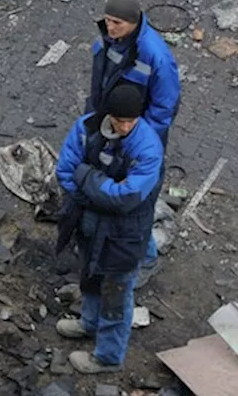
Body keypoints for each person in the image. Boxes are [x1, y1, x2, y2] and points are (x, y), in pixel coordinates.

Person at [53, 85, 164, 373]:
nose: (125, 127)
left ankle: (108, 357)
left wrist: (86, 176)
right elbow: (64, 171)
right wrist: (99, 197)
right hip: (90, 226)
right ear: (108, 115)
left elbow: (125, 198)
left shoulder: (148, 148)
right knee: (90, 276)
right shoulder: (86, 128)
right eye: (119, 120)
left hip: (125, 235)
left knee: (117, 294)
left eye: (131, 121)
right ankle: (89, 323)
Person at [85, 0, 181, 286]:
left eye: (116, 23)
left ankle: (146, 259)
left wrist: (138, 140)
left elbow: (164, 106)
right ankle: (127, 250)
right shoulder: (110, 40)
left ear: (133, 22)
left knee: (138, 205)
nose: (110, 28)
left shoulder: (156, 55)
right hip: (111, 126)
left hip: (134, 135)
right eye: (108, 21)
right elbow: (100, 83)